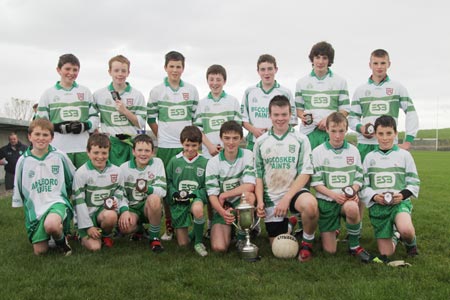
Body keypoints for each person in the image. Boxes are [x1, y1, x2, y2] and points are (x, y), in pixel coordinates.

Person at [254, 95, 318, 262]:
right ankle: (289, 224)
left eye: (284, 114)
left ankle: (307, 243)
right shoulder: (260, 142)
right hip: (272, 197)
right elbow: (258, 176)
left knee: (310, 206)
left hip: (294, 192)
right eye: (276, 115)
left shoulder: (301, 139)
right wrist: (260, 202)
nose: (280, 119)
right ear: (270, 115)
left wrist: (287, 198)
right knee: (278, 247)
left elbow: (306, 172)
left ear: (291, 115)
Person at [147, 51, 200, 241]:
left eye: (178, 66)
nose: (175, 70)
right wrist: (160, 134)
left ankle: (193, 222)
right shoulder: (157, 91)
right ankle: (170, 225)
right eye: (172, 66)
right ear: (165, 67)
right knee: (168, 186)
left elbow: (196, 119)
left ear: (183, 68)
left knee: (190, 183)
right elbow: (151, 117)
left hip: (187, 147)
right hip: (165, 146)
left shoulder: (192, 90)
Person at [311, 112, 372, 262]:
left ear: (346, 130)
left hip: (347, 200)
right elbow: (316, 183)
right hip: (327, 202)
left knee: (352, 208)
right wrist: (333, 195)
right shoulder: (318, 152)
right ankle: (334, 229)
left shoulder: (353, 150)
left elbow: (359, 177)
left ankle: (354, 246)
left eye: (341, 131)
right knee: (330, 251)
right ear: (327, 129)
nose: (337, 135)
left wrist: (354, 190)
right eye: (333, 131)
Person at [12, 119, 75, 256]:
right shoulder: (23, 161)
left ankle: (61, 241)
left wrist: (68, 197)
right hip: (36, 208)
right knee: (40, 252)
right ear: (30, 136)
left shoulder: (60, 156)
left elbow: (72, 179)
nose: (41, 138)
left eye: (45, 135)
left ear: (52, 137)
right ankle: (53, 235)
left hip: (57, 202)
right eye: (37, 134)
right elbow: (19, 188)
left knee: (51, 224)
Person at [360, 115, 420, 259]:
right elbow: (363, 185)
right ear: (375, 134)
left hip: (399, 204)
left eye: (389, 133)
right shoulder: (369, 158)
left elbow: (414, 181)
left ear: (395, 134)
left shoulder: (405, 155)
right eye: (381, 134)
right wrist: (374, 196)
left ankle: (411, 244)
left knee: (406, 229)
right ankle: (395, 235)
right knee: (386, 253)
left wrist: (403, 195)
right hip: (378, 207)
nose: (385, 138)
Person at [194, 64, 242, 238]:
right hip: (209, 152)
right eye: (211, 79)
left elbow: (236, 127)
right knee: (211, 189)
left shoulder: (232, 101)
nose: (215, 83)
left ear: (224, 81)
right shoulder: (202, 103)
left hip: (229, 151)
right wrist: (210, 146)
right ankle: (211, 221)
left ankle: (238, 222)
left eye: (218, 79)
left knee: (231, 185)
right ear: (207, 80)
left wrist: (227, 144)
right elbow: (199, 129)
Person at [349, 49, 419, 162]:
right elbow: (352, 118)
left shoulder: (397, 88)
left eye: (383, 63)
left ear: (389, 64)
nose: (379, 67)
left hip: (389, 144)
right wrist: (360, 128)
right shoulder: (360, 90)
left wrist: (408, 141)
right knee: (364, 179)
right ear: (370, 65)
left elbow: (411, 113)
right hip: (366, 144)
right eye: (375, 63)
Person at [37, 53, 99, 168]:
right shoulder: (48, 93)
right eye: (67, 69)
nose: (71, 73)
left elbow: (95, 117)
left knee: (82, 183)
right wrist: (57, 127)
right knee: (62, 184)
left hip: (82, 148)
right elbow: (40, 123)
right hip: (58, 148)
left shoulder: (85, 91)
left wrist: (85, 125)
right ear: (58, 70)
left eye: (75, 70)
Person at [205, 121, 256, 252]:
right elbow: (212, 195)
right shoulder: (213, 162)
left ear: (241, 138)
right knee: (219, 247)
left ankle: (242, 237)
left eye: (235, 138)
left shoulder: (248, 155)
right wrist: (223, 212)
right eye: (227, 138)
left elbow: (250, 186)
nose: (231, 142)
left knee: (249, 196)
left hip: (241, 203)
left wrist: (225, 194)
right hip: (224, 207)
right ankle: (229, 229)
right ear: (221, 138)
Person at [93, 54, 147, 166]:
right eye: (116, 70)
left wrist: (125, 111)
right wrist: (98, 135)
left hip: (130, 144)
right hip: (109, 145)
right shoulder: (99, 95)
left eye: (123, 71)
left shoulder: (137, 95)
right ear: (110, 72)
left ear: (128, 72)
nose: (120, 74)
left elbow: (140, 123)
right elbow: (92, 118)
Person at [295, 41, 350, 150]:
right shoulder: (301, 82)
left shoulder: (340, 81)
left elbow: (345, 110)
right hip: (309, 133)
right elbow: (298, 110)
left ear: (329, 60)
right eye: (317, 57)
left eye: (324, 58)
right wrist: (304, 117)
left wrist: (329, 120)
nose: (320, 62)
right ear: (312, 59)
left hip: (331, 133)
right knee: (309, 166)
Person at [73, 133, 124, 251]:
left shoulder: (117, 171)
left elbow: (119, 193)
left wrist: (115, 201)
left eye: (104, 153)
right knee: (95, 247)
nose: (100, 157)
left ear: (109, 152)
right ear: (88, 152)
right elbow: (78, 202)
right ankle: (80, 233)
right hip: (87, 217)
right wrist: (88, 227)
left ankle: (106, 235)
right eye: (96, 153)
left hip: (103, 214)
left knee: (111, 215)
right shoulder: (81, 173)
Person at [118, 134, 166, 253]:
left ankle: (154, 237)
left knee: (154, 198)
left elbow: (163, 191)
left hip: (148, 206)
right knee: (125, 228)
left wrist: (147, 189)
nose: (143, 154)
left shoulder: (157, 163)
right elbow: (120, 194)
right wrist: (124, 211)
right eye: (139, 150)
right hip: (132, 208)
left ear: (152, 152)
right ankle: (138, 229)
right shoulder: (123, 168)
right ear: (133, 151)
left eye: (147, 150)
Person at [166, 126, 208, 256]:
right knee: (183, 244)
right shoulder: (174, 161)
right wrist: (174, 193)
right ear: (181, 143)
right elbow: (168, 182)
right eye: (187, 145)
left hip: (195, 198)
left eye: (194, 145)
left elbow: (207, 186)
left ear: (200, 144)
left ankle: (199, 242)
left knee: (198, 210)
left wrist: (195, 195)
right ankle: (194, 233)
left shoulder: (205, 162)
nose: (190, 149)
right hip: (179, 201)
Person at [241, 54, 297, 151]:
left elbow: (292, 120)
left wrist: (273, 131)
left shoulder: (285, 92)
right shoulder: (249, 92)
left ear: (276, 69)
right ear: (258, 71)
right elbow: (242, 119)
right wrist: (254, 130)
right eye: (263, 69)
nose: (266, 73)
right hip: (254, 141)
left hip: (278, 142)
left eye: (270, 69)